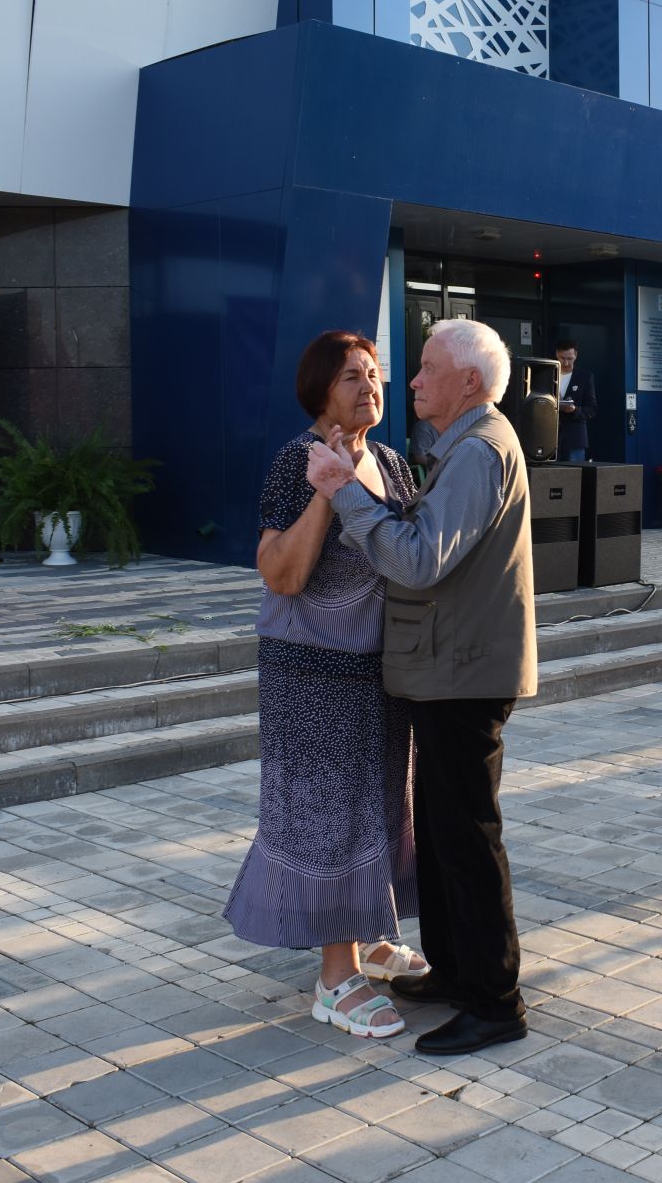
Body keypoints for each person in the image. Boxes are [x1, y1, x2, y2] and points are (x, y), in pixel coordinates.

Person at [307, 318, 535, 1055]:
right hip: (449, 667)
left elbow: (418, 560)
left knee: (466, 838)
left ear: (468, 381)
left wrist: (344, 492)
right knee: (442, 834)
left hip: (464, 671)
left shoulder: (479, 450)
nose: (410, 380)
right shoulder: (464, 446)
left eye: (427, 367)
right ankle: (458, 972)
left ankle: (495, 1001)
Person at [228, 331, 425, 1040]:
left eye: (374, 374)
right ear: (319, 390)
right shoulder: (297, 459)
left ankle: (372, 936)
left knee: (380, 806)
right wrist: (325, 493)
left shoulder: (393, 463)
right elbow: (279, 573)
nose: (369, 386)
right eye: (351, 376)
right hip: (311, 675)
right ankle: (335, 979)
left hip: (380, 673)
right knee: (329, 816)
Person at [553, 340, 595, 463]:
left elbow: (592, 409)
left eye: (570, 358)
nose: (566, 363)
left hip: (575, 437)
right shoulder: (549, 374)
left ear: (576, 355)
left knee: (575, 472)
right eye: (562, 358)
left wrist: (575, 409)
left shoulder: (585, 377)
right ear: (557, 354)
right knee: (549, 472)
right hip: (550, 436)